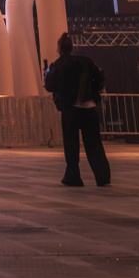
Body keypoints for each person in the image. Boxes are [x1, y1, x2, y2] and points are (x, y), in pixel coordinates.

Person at [44, 32, 110, 188]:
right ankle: (102, 177)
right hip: (89, 107)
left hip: (70, 109)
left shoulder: (58, 65)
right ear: (72, 47)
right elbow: (100, 77)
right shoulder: (86, 61)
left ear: (59, 49)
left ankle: (73, 176)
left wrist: (46, 74)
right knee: (94, 143)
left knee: (71, 144)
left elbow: (50, 86)